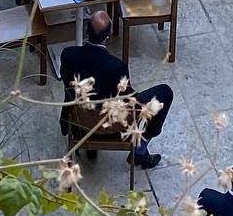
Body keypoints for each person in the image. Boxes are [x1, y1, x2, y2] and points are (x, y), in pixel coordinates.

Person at [59, 10, 173, 172]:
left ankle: (91, 144)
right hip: (109, 125)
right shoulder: (117, 67)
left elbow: (68, 87)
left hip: (79, 120)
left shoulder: (68, 55)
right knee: (165, 92)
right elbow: (128, 99)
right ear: (108, 35)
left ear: (86, 30)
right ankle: (140, 148)